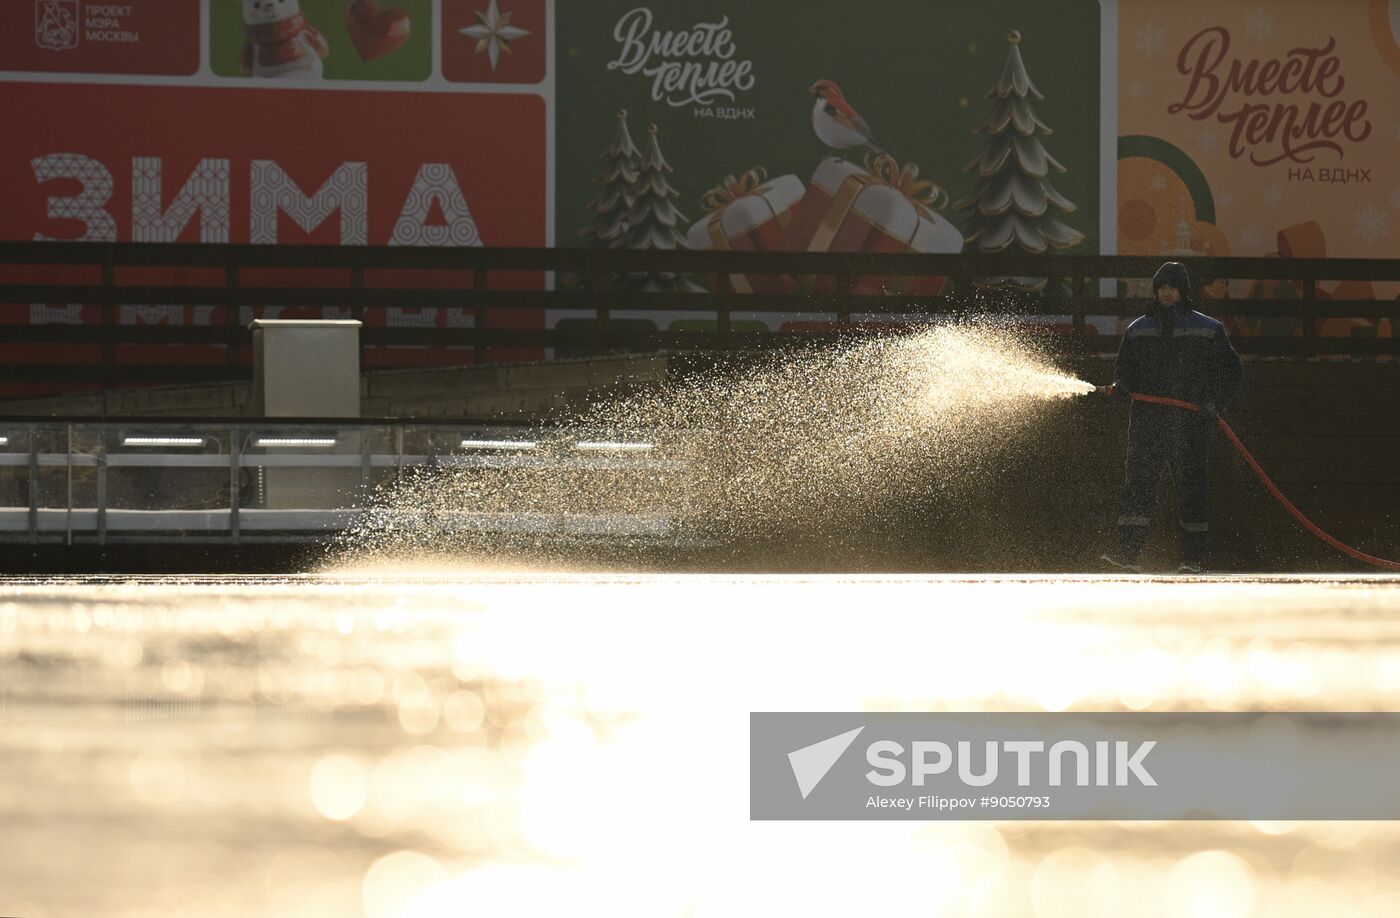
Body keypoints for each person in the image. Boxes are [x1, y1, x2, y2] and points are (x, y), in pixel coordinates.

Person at [1094, 261, 1243, 573]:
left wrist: (1215, 403)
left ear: (1183, 291)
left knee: (1192, 491)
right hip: (1147, 424)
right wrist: (1122, 387)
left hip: (1191, 426)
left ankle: (1191, 561)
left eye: (1171, 287)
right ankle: (1127, 557)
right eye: (1161, 287)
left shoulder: (1209, 329)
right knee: (1137, 488)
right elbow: (1125, 371)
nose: (1165, 293)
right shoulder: (1137, 331)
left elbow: (1232, 371)